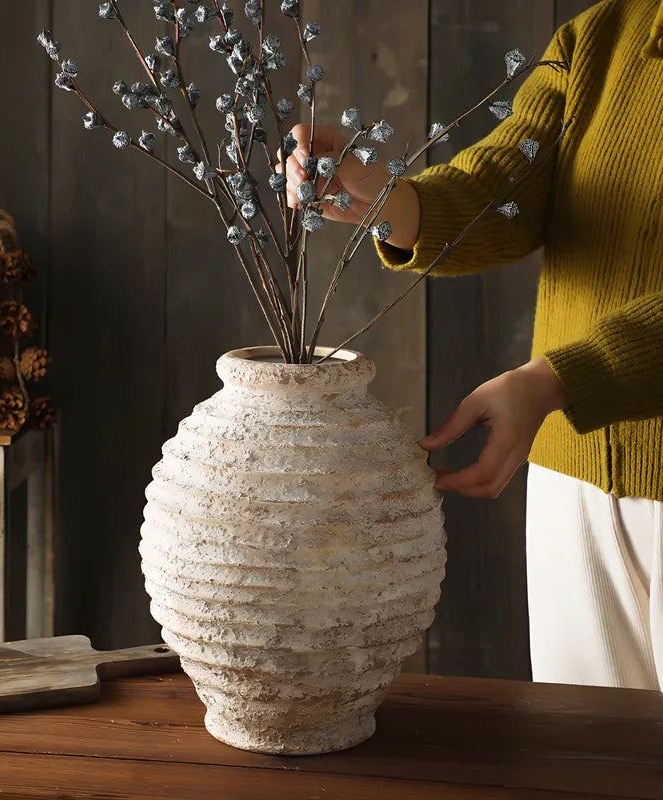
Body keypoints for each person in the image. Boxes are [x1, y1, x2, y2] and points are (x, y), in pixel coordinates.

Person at [283, 0, 663, 690]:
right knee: (583, 769)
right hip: (573, 478)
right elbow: (500, 188)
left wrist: (559, 379)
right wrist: (383, 200)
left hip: (561, 405)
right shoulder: (604, 34)